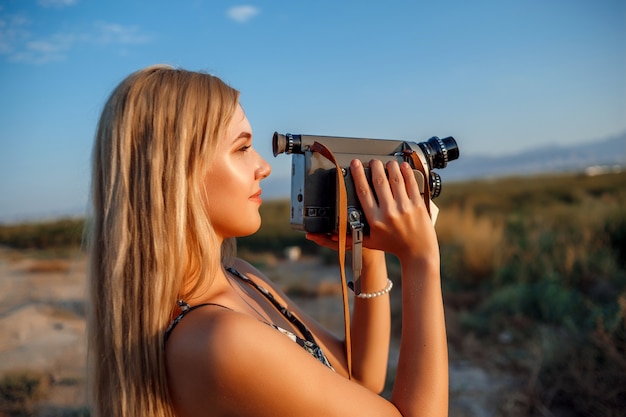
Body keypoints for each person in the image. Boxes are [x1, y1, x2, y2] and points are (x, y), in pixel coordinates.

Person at [87, 64, 448, 417]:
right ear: (177, 173)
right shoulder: (220, 338)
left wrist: (366, 247)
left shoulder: (239, 277)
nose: (264, 166)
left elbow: (359, 377)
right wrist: (422, 260)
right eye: (242, 148)